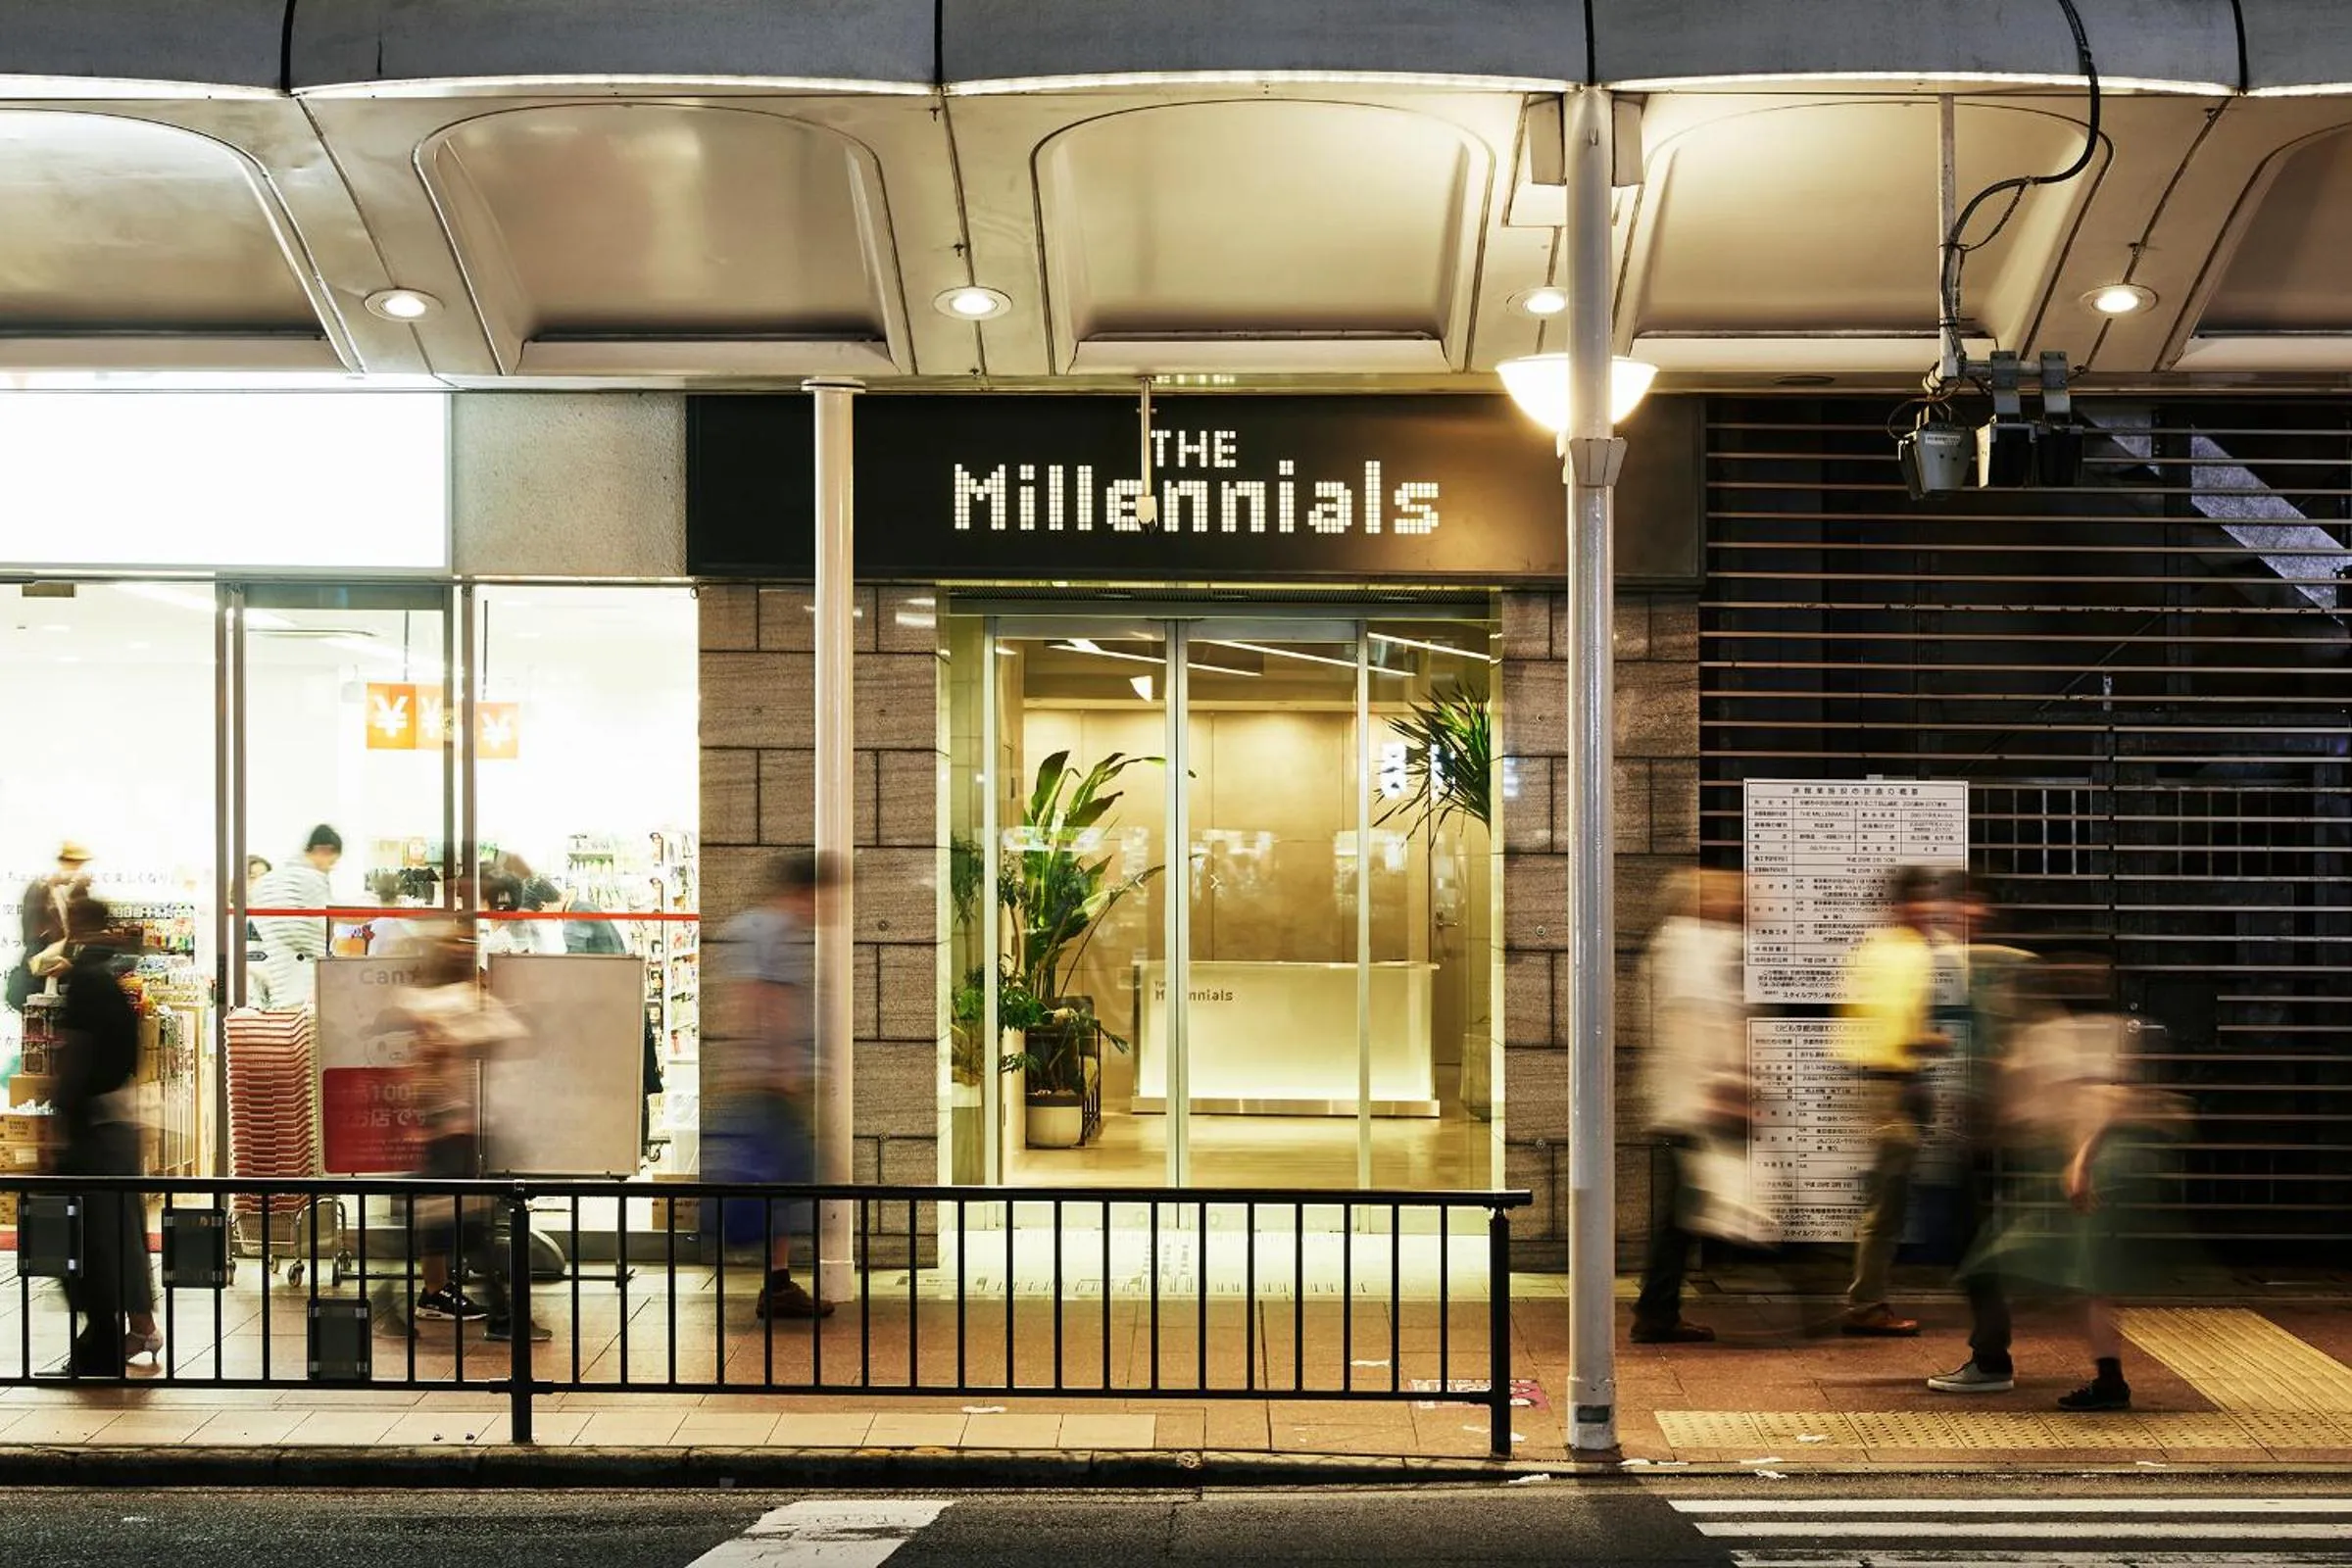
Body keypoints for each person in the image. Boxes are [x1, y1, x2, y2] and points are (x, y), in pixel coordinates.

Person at [1944, 959, 2185, 1411]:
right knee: (2086, 1281)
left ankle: (2005, 1361)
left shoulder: (2062, 1035)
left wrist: (2080, 1160)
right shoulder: (2108, 1029)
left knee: (2008, 1264)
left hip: (2089, 1169)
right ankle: (2102, 1377)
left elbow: (2107, 1100)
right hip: (2085, 1167)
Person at [374, 929, 546, 1342]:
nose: (465, 956)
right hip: (448, 1130)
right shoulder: (456, 1001)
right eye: (459, 950)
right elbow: (513, 1034)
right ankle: (504, 1317)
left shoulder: (436, 1000)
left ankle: (392, 1307)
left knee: (449, 1224)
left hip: (448, 1127)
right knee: (469, 1226)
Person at [706, 852, 837, 1320]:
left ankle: (777, 1281)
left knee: (778, 1181)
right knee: (784, 1179)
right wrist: (783, 1070)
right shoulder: (778, 932)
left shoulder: (748, 926)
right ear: (807, 892)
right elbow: (767, 1000)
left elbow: (741, 999)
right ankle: (776, 1283)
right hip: (772, 1080)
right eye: (824, 898)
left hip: (756, 1076)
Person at [1632, 868, 1752, 1345]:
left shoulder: (1690, 943)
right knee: (1684, 1214)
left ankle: (1657, 1307)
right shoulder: (1687, 947)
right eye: (1725, 894)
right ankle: (1656, 1310)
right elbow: (1688, 1022)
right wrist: (1720, 1089)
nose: (1737, 901)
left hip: (1690, 1097)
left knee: (1683, 1213)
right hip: (1693, 1100)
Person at [1928, 881, 2038, 1395]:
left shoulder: (2003, 966)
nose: (1953, 913)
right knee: (1975, 1245)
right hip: (1978, 1130)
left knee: (1980, 1247)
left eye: (1962, 904)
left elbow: (2013, 1047)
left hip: (1999, 1133)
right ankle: (1991, 1352)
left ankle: (1992, 1358)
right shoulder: (1966, 965)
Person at [1837, 865, 1955, 1337]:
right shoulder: (1906, 953)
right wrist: (1931, 1042)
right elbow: (1895, 1027)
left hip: (1882, 1083)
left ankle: (1868, 1297)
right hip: (1889, 1086)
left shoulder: (1878, 947)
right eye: (1922, 901)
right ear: (1904, 904)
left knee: (1886, 1198)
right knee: (1885, 1202)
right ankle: (1866, 1303)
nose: (1930, 910)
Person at [49, 893, 161, 1375]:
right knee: (116, 1229)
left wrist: (64, 1112)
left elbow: (78, 1054)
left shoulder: (86, 982)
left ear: (77, 923)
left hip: (93, 1126)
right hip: (113, 1118)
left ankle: (112, 1336)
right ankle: (132, 1328)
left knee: (96, 1234)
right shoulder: (110, 981)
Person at [252, 825, 342, 1008]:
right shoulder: (310, 878)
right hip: (306, 987)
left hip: (279, 985)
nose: (329, 868)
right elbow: (324, 922)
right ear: (322, 850)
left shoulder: (268, 882)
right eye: (331, 862)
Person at [11, 840, 91, 1011]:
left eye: (79, 863)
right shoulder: (40, 888)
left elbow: (79, 926)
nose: (77, 867)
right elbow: (30, 927)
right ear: (63, 861)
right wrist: (46, 948)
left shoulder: (79, 890)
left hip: (66, 959)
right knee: (36, 1015)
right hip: (42, 955)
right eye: (74, 862)